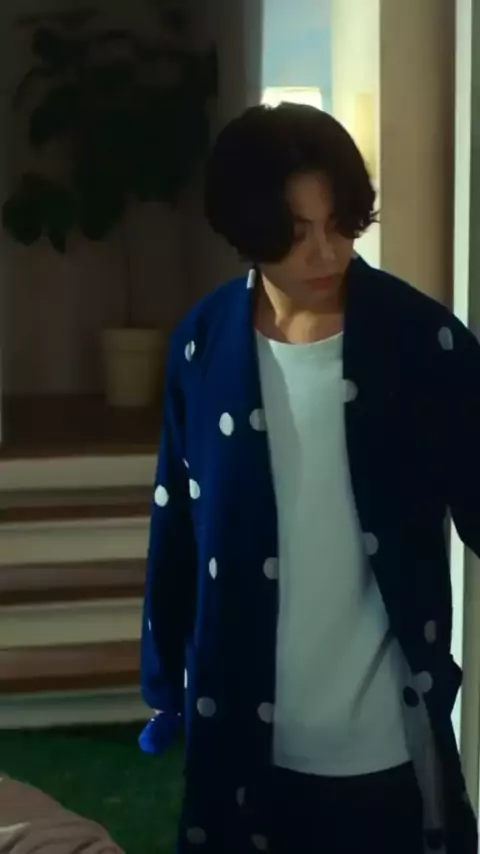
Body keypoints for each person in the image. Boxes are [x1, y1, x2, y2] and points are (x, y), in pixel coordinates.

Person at [139, 103, 480, 854]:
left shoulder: (423, 342)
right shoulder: (204, 344)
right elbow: (178, 525)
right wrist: (164, 678)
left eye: (340, 225)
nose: (326, 253)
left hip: (379, 738)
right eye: (295, 234)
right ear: (244, 232)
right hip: (242, 727)